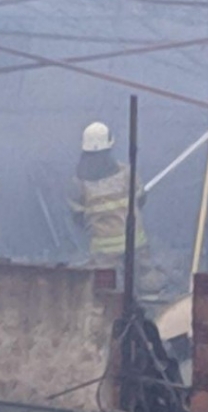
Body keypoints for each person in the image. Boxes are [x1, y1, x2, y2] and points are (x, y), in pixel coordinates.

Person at [69, 121, 165, 297]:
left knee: (106, 296)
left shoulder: (78, 183)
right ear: (110, 147)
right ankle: (152, 309)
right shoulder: (127, 174)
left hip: (103, 253)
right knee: (148, 286)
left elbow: (77, 217)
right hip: (135, 244)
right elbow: (141, 200)